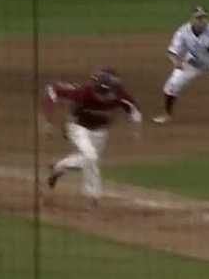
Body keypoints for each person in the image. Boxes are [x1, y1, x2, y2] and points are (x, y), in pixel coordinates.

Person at [41, 68, 142, 206]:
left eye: (107, 93)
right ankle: (93, 197)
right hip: (78, 128)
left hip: (100, 132)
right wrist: (47, 122)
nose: (104, 97)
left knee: (87, 161)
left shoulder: (118, 96)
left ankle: (59, 167)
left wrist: (135, 130)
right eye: (101, 93)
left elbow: (134, 110)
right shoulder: (84, 93)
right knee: (91, 157)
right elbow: (53, 90)